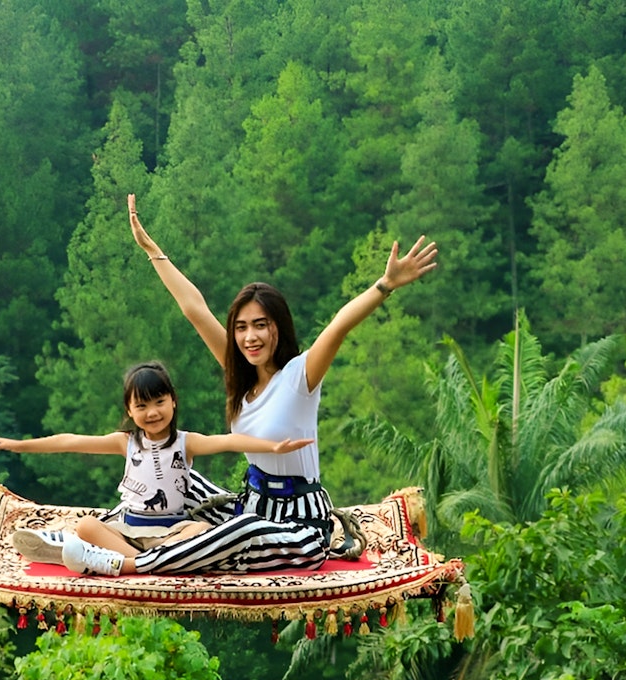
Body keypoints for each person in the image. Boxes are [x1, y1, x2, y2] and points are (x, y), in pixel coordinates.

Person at [41, 194, 436, 577]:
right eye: (242, 327)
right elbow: (194, 310)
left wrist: (385, 284)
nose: (250, 337)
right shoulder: (239, 381)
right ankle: (108, 534)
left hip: (299, 527)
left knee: (237, 532)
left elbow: (339, 325)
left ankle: (125, 562)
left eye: (261, 325)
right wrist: (152, 251)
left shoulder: (300, 376)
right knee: (169, 468)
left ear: (278, 328)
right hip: (252, 503)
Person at [0, 361, 312, 575]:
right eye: (141, 406)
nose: (152, 412)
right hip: (128, 531)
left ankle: (106, 561)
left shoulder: (188, 442)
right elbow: (71, 441)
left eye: (159, 402)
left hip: (170, 533)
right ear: (130, 411)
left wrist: (273, 447)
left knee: (199, 531)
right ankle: (111, 557)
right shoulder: (125, 442)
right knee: (87, 525)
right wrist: (21, 445)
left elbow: (228, 441)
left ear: (173, 401)